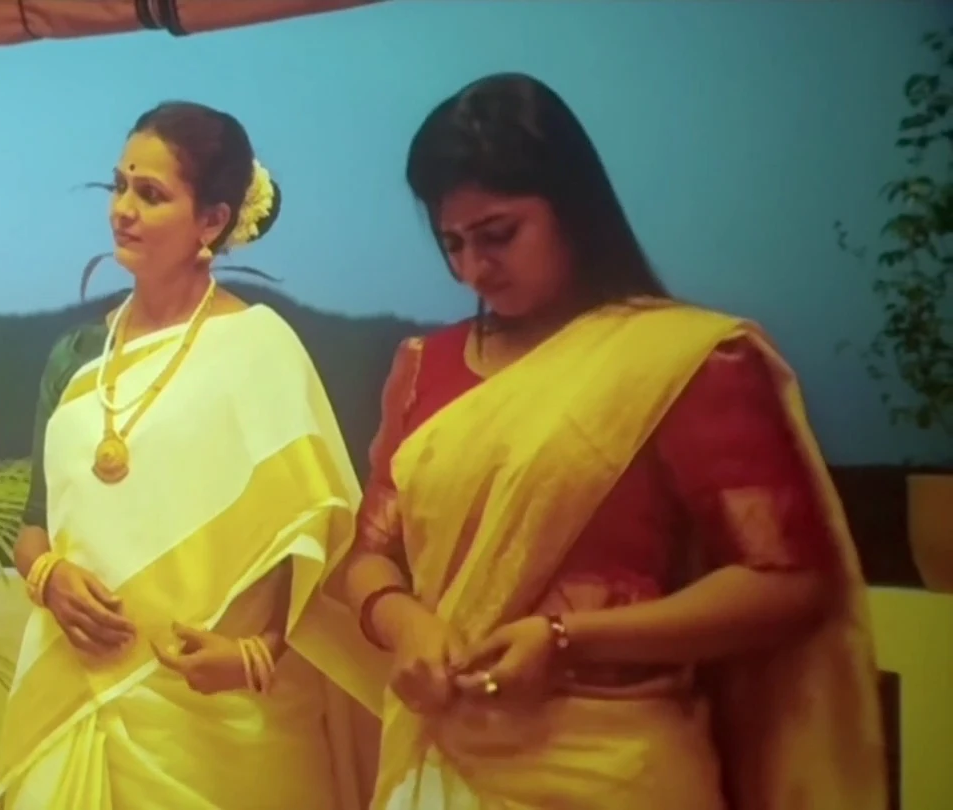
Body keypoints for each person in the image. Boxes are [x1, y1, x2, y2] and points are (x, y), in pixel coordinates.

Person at [339, 72, 887, 809]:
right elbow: (370, 556)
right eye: (453, 244)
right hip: (444, 761)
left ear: (573, 208)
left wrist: (568, 639)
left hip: (616, 770)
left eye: (498, 235)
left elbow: (788, 582)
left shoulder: (680, 361)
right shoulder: (422, 369)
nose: (473, 270)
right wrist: (404, 622)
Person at [0, 101, 386, 810]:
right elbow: (33, 530)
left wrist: (255, 653)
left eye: (150, 194)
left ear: (212, 221)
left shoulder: (260, 350)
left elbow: (316, 547)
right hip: (79, 701)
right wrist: (49, 578)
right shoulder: (77, 359)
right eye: (118, 186)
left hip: (229, 726)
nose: (123, 210)